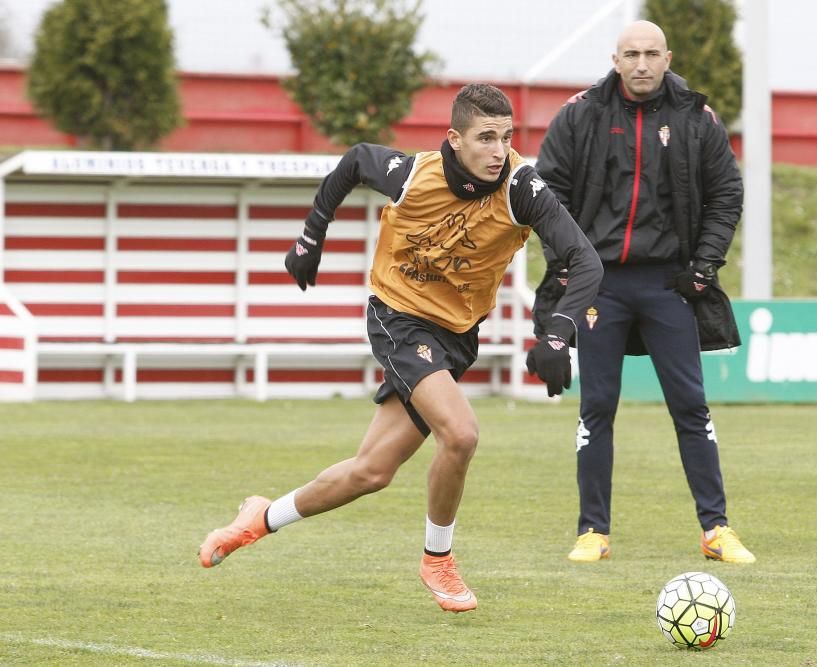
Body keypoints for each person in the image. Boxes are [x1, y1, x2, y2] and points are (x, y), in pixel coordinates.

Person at [198, 84, 602, 612]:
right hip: (398, 317)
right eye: (485, 138)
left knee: (371, 472)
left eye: (506, 137)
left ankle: (260, 517)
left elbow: (585, 261)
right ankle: (438, 559)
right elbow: (353, 162)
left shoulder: (521, 188)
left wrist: (557, 332)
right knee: (460, 434)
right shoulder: (413, 173)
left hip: (455, 336)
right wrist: (310, 237)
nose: (498, 150)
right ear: (454, 140)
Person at [532, 20, 755, 564]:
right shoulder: (580, 113)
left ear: (667, 56)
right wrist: (567, 264)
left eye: (651, 54)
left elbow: (727, 192)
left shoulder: (696, 117)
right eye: (631, 54)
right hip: (597, 285)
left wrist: (704, 265)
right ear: (615, 58)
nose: (641, 64)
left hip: (668, 285)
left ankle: (716, 529)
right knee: (597, 406)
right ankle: (593, 532)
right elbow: (544, 192)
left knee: (690, 405)